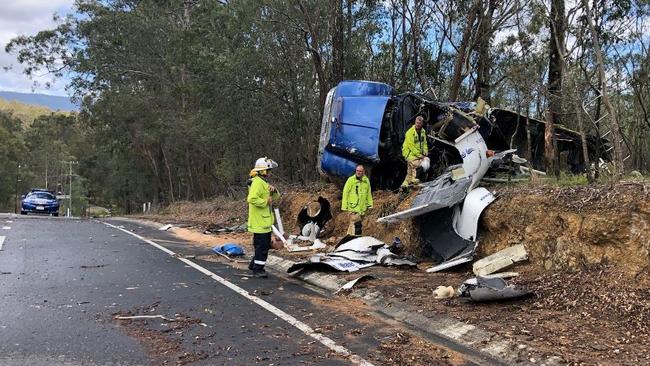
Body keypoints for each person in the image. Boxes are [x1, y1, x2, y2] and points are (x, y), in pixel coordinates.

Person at [247, 157, 280, 278]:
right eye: (268, 170)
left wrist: (274, 190)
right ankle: (258, 269)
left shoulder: (263, 182)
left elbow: (275, 197)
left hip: (264, 221)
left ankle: (253, 264)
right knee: (262, 247)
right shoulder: (257, 182)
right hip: (260, 221)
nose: (270, 172)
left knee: (261, 246)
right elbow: (251, 199)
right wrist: (265, 201)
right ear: (263, 171)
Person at [341, 164, 373, 235]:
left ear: (363, 172)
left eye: (360, 171)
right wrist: (344, 206)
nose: (358, 172)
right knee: (356, 225)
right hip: (353, 208)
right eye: (357, 171)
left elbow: (368, 193)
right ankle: (355, 239)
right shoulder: (350, 180)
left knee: (353, 225)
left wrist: (370, 204)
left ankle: (348, 238)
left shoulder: (366, 180)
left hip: (362, 209)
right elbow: (345, 193)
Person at [401, 115, 429, 188]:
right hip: (409, 154)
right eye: (416, 123)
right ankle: (414, 183)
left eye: (419, 123)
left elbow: (424, 143)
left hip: (417, 155)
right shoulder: (409, 133)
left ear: (422, 124)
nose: (418, 124)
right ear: (415, 122)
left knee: (409, 174)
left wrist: (425, 150)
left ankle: (404, 186)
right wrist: (420, 156)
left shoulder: (423, 132)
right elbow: (411, 147)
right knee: (421, 165)